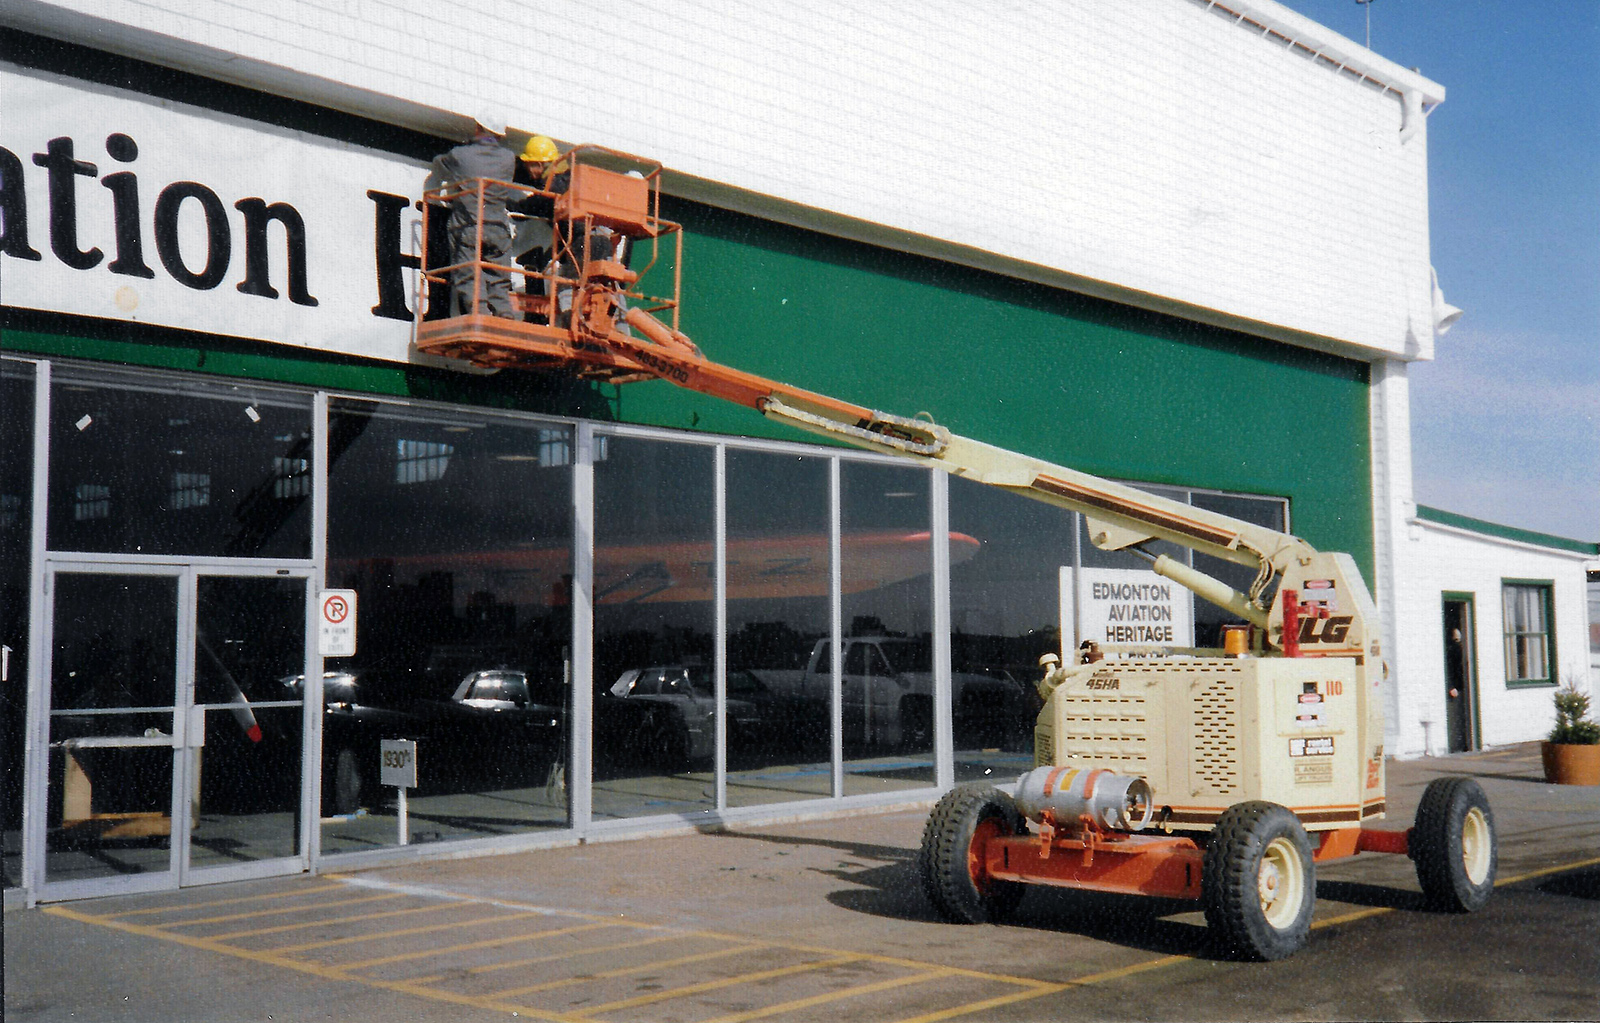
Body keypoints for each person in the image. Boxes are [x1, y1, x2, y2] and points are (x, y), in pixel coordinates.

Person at [430, 112, 516, 317]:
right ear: (500, 136)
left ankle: (480, 313)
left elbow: (439, 163)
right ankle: (504, 314)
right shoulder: (509, 158)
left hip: (469, 225)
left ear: (478, 128)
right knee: (499, 276)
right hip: (498, 229)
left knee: (469, 272)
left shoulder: (460, 155)